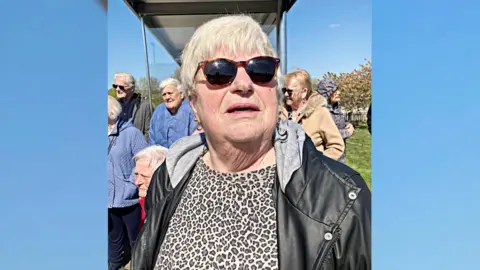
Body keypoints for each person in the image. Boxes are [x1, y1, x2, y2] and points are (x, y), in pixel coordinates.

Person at [131, 15, 370, 270]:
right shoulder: (169, 178)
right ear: (193, 102)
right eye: (219, 71)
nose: (244, 84)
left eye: (261, 69)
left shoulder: (343, 199)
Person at [108, 96, 149, 270]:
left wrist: (131, 186)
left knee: (136, 241)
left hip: (129, 200)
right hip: (108, 200)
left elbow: (144, 159)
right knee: (113, 241)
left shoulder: (132, 134)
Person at [279, 69, 345, 161]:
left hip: (310, 174)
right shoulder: (279, 113)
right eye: (284, 90)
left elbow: (336, 147)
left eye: (290, 91)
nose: (285, 94)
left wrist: (315, 164)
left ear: (304, 92)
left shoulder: (320, 113)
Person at [148, 78, 197, 148]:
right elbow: (151, 138)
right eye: (164, 94)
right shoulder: (158, 111)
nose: (167, 97)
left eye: (170, 93)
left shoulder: (191, 110)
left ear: (181, 94)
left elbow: (195, 141)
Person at [317, 77, 355, 164]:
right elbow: (325, 134)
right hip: (328, 160)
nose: (339, 93)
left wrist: (348, 124)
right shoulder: (322, 111)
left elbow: (340, 123)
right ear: (327, 94)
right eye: (335, 91)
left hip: (340, 157)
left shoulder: (336, 108)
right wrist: (347, 132)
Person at [133, 145, 168, 230]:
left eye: (144, 176)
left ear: (163, 176)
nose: (137, 182)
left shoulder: (171, 210)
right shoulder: (141, 204)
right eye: (136, 174)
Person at [113, 72, 152, 139]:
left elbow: (150, 132)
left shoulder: (145, 106)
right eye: (115, 86)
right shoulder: (114, 106)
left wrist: (139, 147)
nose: (117, 89)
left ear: (131, 88)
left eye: (121, 87)